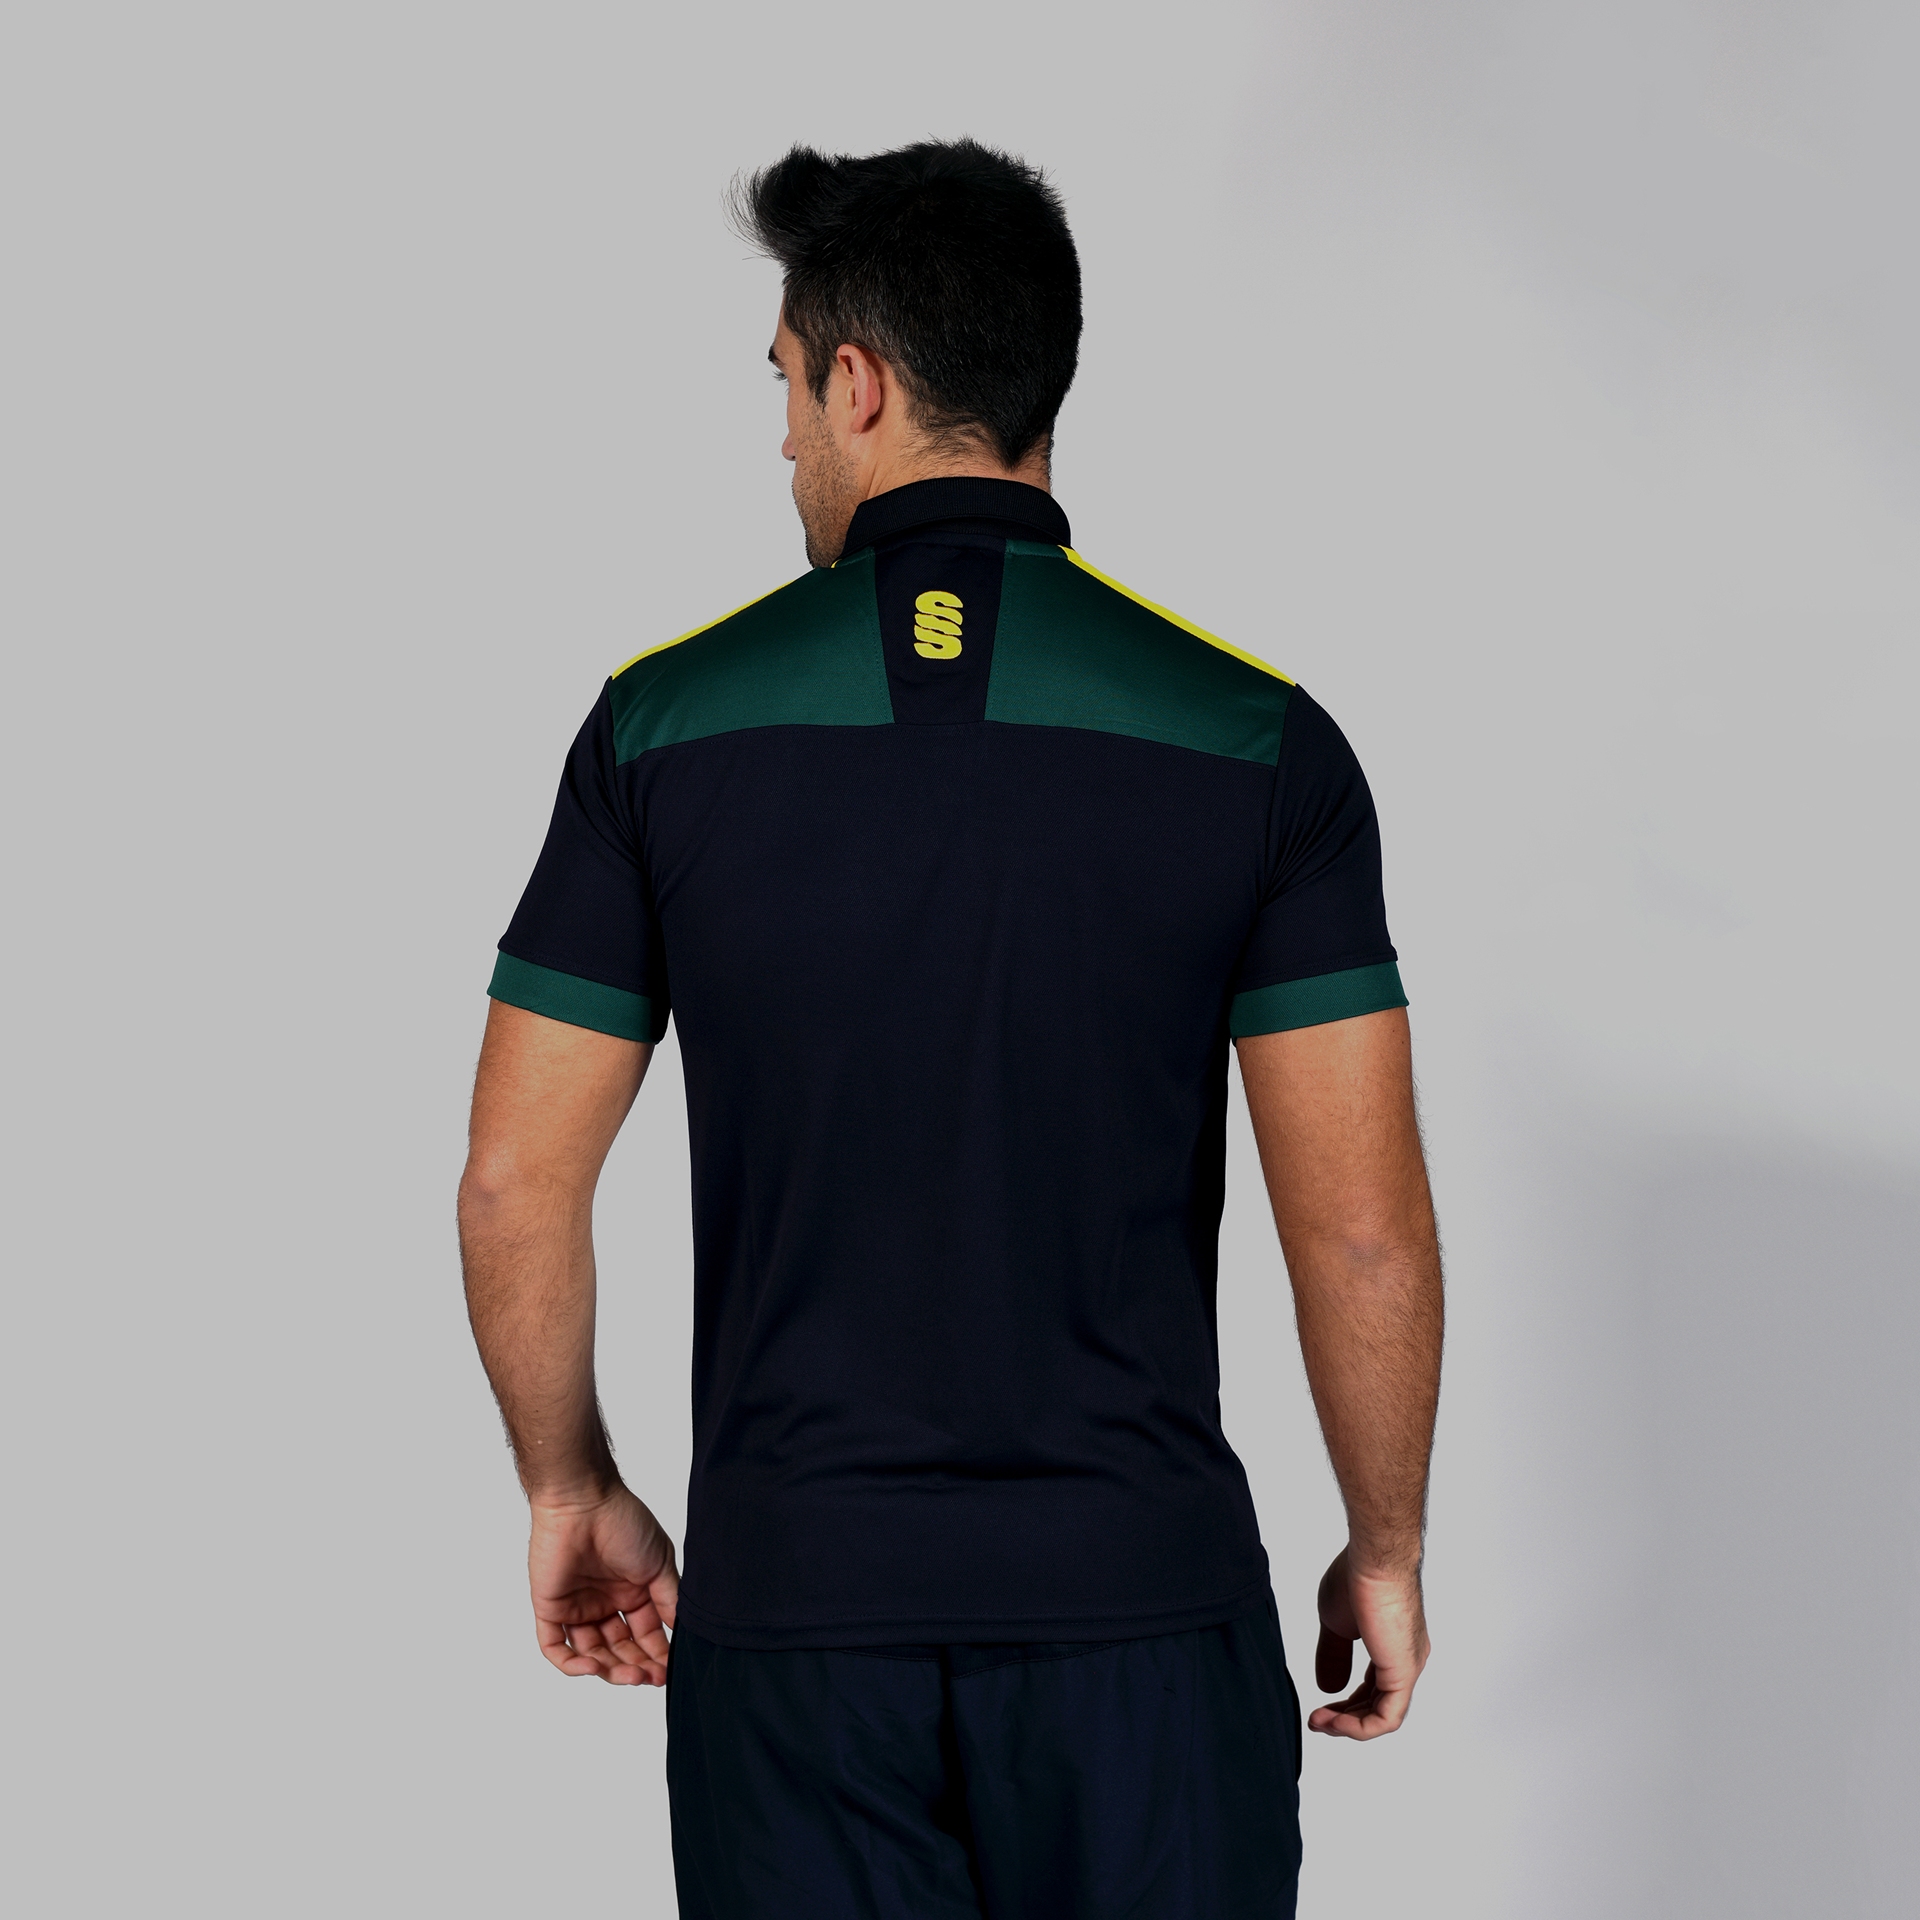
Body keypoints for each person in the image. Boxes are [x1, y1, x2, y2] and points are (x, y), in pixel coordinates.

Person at [458, 139, 1442, 1920]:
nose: (780, 438)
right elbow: (1361, 1232)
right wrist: (1385, 1543)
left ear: (859, 383)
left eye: (782, 382)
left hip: (797, 1633)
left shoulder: (659, 728)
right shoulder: (1255, 738)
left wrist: (567, 1483)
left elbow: (516, 1184)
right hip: (1145, 1627)